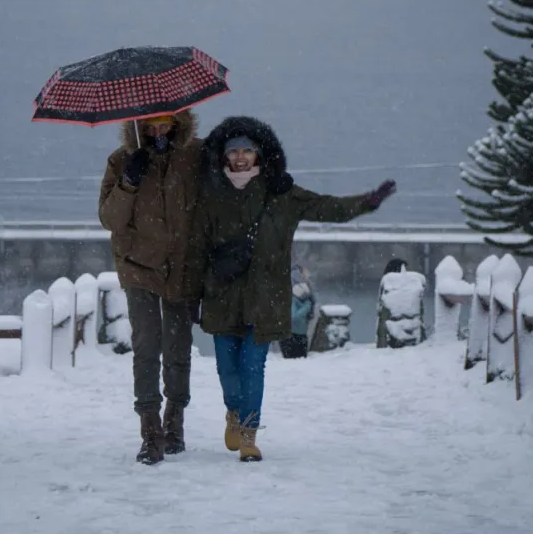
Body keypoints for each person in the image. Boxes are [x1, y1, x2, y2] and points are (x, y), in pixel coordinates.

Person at [192, 115, 396, 461]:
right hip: (222, 296)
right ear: (223, 156)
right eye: (234, 152)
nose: (240, 158)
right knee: (228, 369)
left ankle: (249, 434)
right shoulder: (210, 194)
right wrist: (190, 295)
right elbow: (195, 246)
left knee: (254, 367)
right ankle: (233, 411)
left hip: (265, 297)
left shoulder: (280, 193)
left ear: (259, 155)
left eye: (247, 151)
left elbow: (326, 207)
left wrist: (367, 202)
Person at [98, 110, 203, 465]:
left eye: (165, 125)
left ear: (178, 126)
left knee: (178, 345)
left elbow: (222, 197)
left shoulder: (195, 156)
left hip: (182, 265)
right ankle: (150, 430)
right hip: (138, 264)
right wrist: (128, 181)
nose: (158, 131)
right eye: (151, 126)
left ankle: (175, 421)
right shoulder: (122, 159)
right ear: (139, 127)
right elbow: (109, 219)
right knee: (146, 344)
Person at [279, 264, 314, 359]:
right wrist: (309, 309)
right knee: (299, 357)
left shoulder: (287, 281)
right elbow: (295, 316)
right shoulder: (302, 285)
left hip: (287, 330)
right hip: (296, 332)